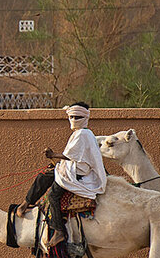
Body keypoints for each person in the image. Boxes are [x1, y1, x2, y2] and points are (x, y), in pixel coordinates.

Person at [15, 102, 107, 248]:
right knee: (44, 176)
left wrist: (53, 155)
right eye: (71, 116)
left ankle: (59, 231)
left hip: (78, 174)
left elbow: (70, 155)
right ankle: (26, 204)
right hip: (73, 169)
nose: (74, 119)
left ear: (85, 117)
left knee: (53, 195)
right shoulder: (81, 133)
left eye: (77, 117)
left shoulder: (83, 133)